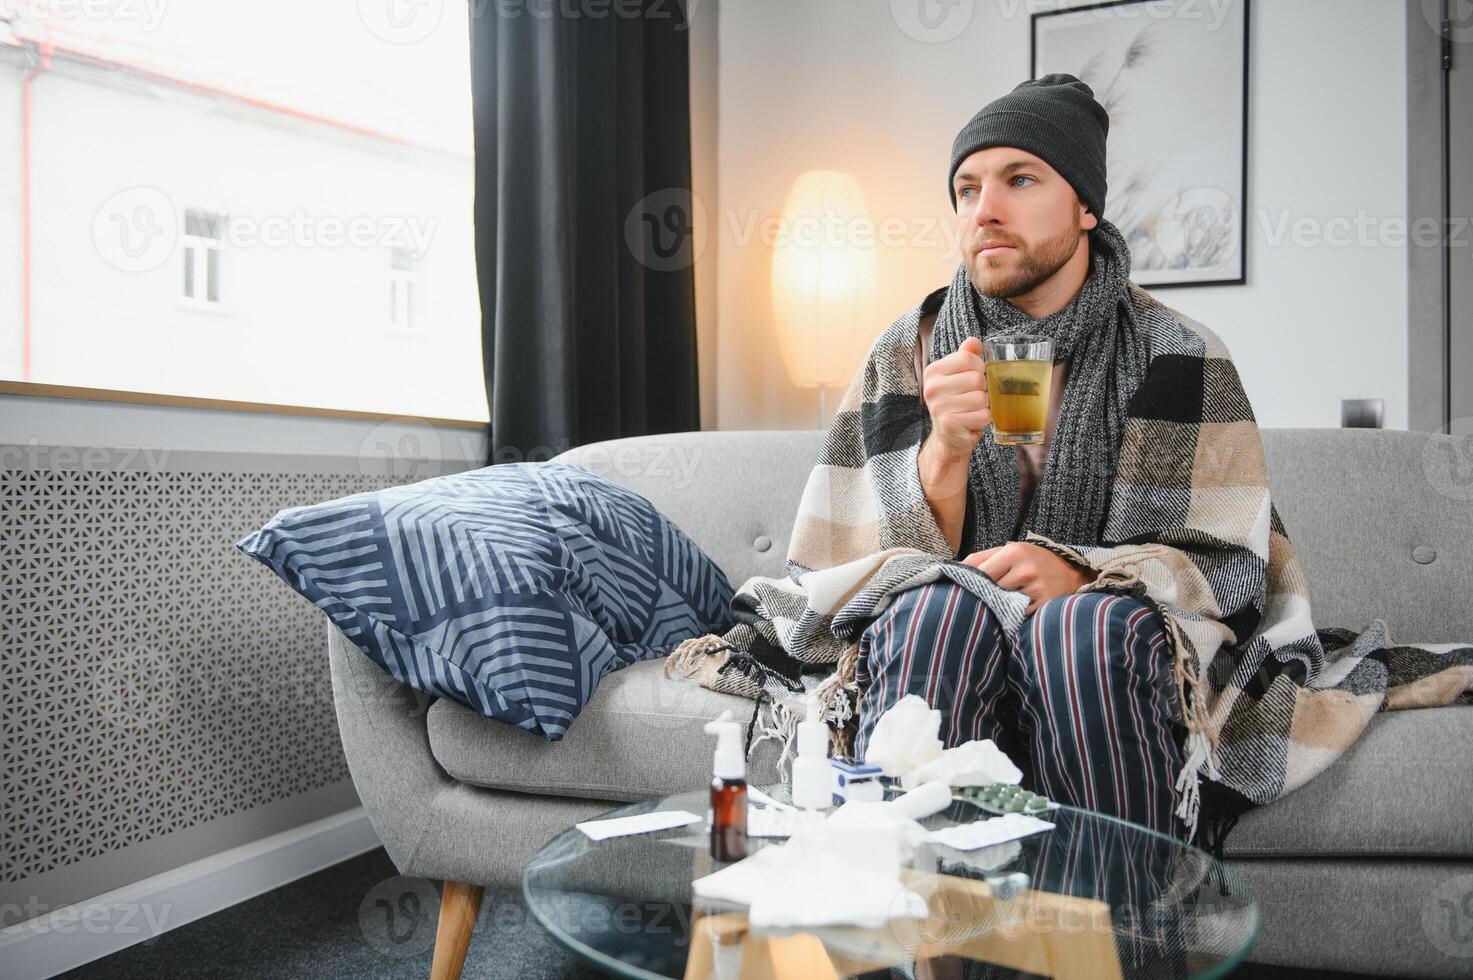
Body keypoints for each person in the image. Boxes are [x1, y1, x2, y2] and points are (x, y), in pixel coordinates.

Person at [851, 74, 1195, 841]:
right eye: (966, 189)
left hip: (1099, 621)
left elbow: (1216, 555)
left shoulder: (1173, 352)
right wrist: (943, 450)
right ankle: (919, 934)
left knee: (1078, 630)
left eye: (1019, 179)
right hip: (951, 606)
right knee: (938, 617)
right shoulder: (907, 349)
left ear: (1084, 207)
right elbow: (870, 562)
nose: (985, 211)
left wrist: (1082, 573)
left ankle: (1116, 934)